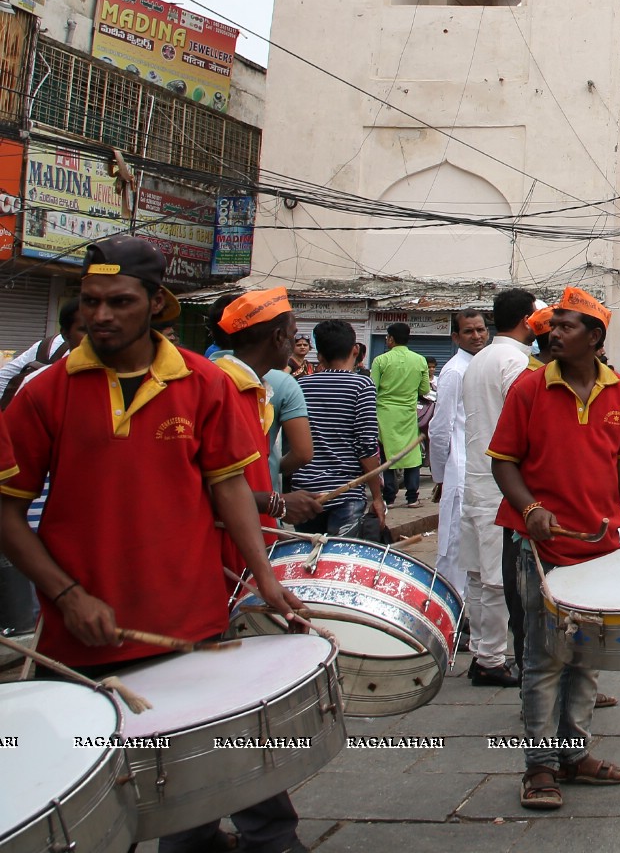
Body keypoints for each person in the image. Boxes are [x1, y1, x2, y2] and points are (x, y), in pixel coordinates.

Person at [0, 237, 305, 853]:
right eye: (90, 302)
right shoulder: (43, 391)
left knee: (196, 787)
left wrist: (264, 579)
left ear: (156, 302)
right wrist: (67, 596)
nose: (101, 316)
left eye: (119, 301)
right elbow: (6, 514)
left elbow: (230, 490)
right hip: (82, 634)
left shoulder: (202, 384)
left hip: (191, 625)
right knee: (96, 809)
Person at [487, 286, 620, 811]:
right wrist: (529, 510)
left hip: (599, 543)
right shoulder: (529, 387)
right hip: (543, 549)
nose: (552, 332)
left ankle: (575, 753)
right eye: (552, 325)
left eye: (564, 325)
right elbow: (503, 461)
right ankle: (540, 767)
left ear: (595, 337)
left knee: (585, 658)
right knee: (543, 660)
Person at [461, 289, 539, 687]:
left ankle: (483, 652)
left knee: (478, 575)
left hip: (476, 479)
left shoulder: (480, 360)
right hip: (500, 485)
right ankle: (492, 658)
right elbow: (526, 422)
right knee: (496, 579)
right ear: (528, 319)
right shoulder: (515, 362)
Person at [208, 289, 325, 540]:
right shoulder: (217, 388)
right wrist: (276, 504)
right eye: (293, 336)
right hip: (222, 540)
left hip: (253, 534)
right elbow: (206, 489)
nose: (295, 345)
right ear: (278, 337)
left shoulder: (258, 389)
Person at [290, 319, 386, 536]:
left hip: (304, 494)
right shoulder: (361, 386)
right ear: (355, 350)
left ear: (319, 355)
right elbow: (367, 447)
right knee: (339, 562)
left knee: (309, 564)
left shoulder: (301, 386)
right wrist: (377, 498)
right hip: (345, 493)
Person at [430, 309, 490, 585]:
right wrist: (442, 476)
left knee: (477, 549)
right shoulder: (454, 371)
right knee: (453, 546)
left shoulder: (484, 365)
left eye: (480, 330)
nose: (477, 336)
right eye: (469, 331)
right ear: (456, 337)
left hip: (483, 473)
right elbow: (440, 430)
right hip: (460, 471)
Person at [370, 323, 430, 506]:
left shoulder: (380, 360)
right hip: (408, 414)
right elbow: (425, 389)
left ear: (391, 339)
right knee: (411, 453)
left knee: (388, 455)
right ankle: (412, 497)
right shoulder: (420, 360)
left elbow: (373, 388)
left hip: (384, 414)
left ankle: (389, 497)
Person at [0, 297, 81, 407]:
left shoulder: (46, 344)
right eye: (84, 329)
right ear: (66, 332)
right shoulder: (47, 346)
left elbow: (4, 377)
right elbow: (4, 377)